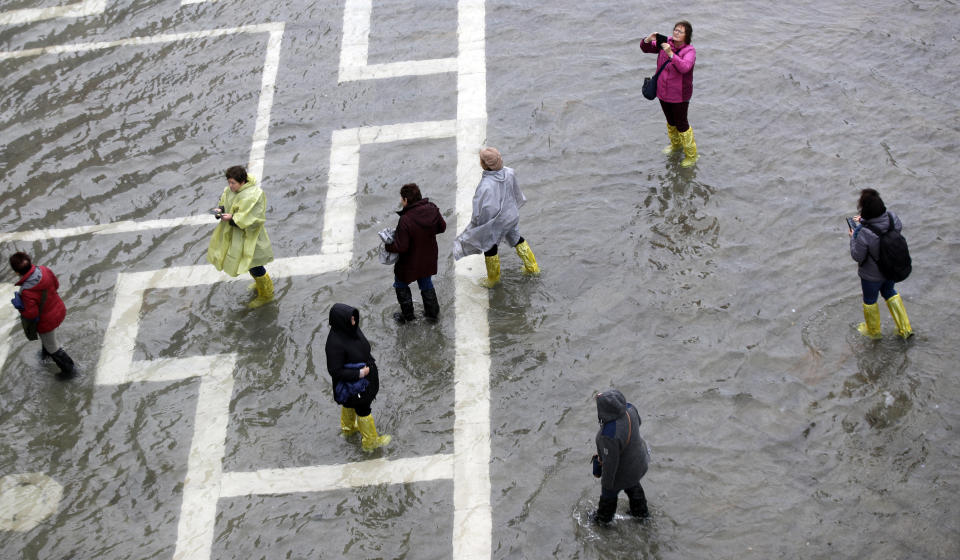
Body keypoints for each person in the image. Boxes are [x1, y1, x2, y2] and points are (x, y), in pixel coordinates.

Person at [453, 147, 540, 287]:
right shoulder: (509, 172)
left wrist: (478, 226)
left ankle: (493, 280)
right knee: (517, 239)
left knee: (490, 247)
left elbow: (483, 210)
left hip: (497, 221)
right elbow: (516, 193)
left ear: (485, 164)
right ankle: (533, 267)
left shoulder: (486, 186)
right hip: (511, 216)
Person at [324, 303, 391, 452]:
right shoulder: (334, 344)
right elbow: (335, 371)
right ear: (341, 322)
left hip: (359, 381)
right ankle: (371, 442)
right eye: (350, 319)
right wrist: (359, 374)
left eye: (354, 317)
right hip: (354, 385)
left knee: (348, 404)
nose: (354, 320)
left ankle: (348, 429)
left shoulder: (350, 330)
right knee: (363, 410)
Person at [206, 165, 275, 308]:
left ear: (242, 181)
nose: (230, 186)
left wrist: (233, 218)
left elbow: (255, 218)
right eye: (229, 182)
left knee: (254, 264)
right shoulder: (229, 190)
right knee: (248, 263)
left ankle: (267, 294)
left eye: (233, 183)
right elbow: (225, 202)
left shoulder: (255, 195)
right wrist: (221, 209)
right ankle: (260, 285)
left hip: (251, 236)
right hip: (236, 235)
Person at [849, 188, 913, 339]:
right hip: (890, 269)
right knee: (890, 293)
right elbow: (883, 226)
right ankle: (905, 328)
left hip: (871, 277)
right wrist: (864, 221)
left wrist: (853, 236)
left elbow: (857, 256)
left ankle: (874, 332)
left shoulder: (864, 232)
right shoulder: (893, 218)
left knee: (870, 301)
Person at [384, 183, 447, 323]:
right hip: (428, 259)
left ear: (406, 200)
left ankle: (408, 317)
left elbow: (402, 247)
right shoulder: (432, 209)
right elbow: (442, 227)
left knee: (400, 284)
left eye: (402, 198)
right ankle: (432, 315)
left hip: (410, 263)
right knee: (426, 283)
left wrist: (387, 246)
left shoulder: (405, 220)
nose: (401, 201)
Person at [9, 252, 76, 379]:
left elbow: (31, 314)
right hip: (59, 310)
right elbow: (56, 285)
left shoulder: (26, 291)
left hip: (46, 321)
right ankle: (45, 355)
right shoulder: (44, 270)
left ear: (17, 273)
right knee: (48, 340)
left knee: (53, 347)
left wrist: (20, 307)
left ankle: (70, 371)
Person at [641, 20, 698, 168]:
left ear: (687, 35)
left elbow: (685, 67)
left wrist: (670, 54)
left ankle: (692, 155)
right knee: (671, 121)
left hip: (679, 95)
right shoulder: (666, 43)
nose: (676, 33)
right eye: (675, 30)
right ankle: (676, 146)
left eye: (680, 31)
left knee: (682, 124)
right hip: (662, 92)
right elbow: (645, 48)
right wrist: (649, 39)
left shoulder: (690, 51)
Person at [591, 389, 650, 524]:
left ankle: (603, 520)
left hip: (623, 471)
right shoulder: (631, 409)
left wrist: (606, 485)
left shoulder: (609, 434)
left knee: (609, 496)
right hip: (639, 462)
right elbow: (639, 423)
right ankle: (642, 514)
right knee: (634, 486)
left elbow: (610, 465)